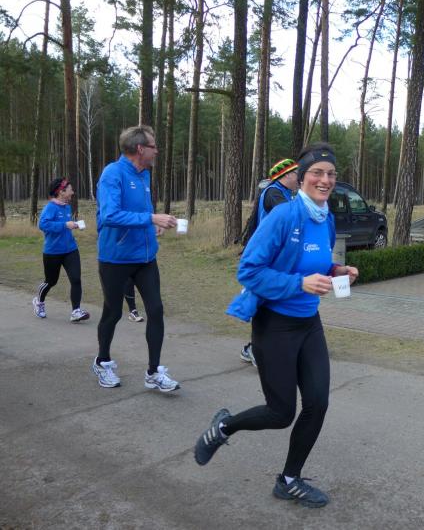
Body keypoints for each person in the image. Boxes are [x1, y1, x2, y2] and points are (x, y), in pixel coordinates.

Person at [194, 142, 358, 509]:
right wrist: (299, 284)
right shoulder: (283, 217)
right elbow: (248, 271)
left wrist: (337, 270)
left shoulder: (326, 219)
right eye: (317, 173)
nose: (325, 180)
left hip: (309, 323)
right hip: (275, 325)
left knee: (317, 403)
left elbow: (316, 263)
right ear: (301, 177)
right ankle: (223, 427)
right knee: (281, 413)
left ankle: (289, 480)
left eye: (331, 174)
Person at [91, 125, 180, 391]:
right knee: (112, 312)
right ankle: (102, 362)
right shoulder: (113, 173)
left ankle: (153, 372)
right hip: (116, 258)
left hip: (145, 257)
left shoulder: (144, 175)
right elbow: (110, 215)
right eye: (153, 146)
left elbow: (142, 212)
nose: (157, 151)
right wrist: (150, 218)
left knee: (156, 310)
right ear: (140, 149)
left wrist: (154, 226)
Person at [239, 158, 300, 367]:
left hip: (276, 257)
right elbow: (289, 216)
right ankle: (254, 349)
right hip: (266, 258)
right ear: (286, 175)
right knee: (264, 302)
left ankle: (260, 346)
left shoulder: (285, 193)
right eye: (296, 174)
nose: (299, 178)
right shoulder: (274, 192)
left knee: (274, 302)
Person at [32, 177, 90, 322]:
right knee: (51, 281)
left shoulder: (67, 207)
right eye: (70, 190)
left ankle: (76, 311)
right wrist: (64, 225)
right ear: (61, 192)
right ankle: (39, 302)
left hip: (70, 249)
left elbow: (66, 224)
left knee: (76, 279)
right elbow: (43, 225)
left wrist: (75, 225)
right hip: (53, 251)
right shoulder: (50, 207)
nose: (73, 192)